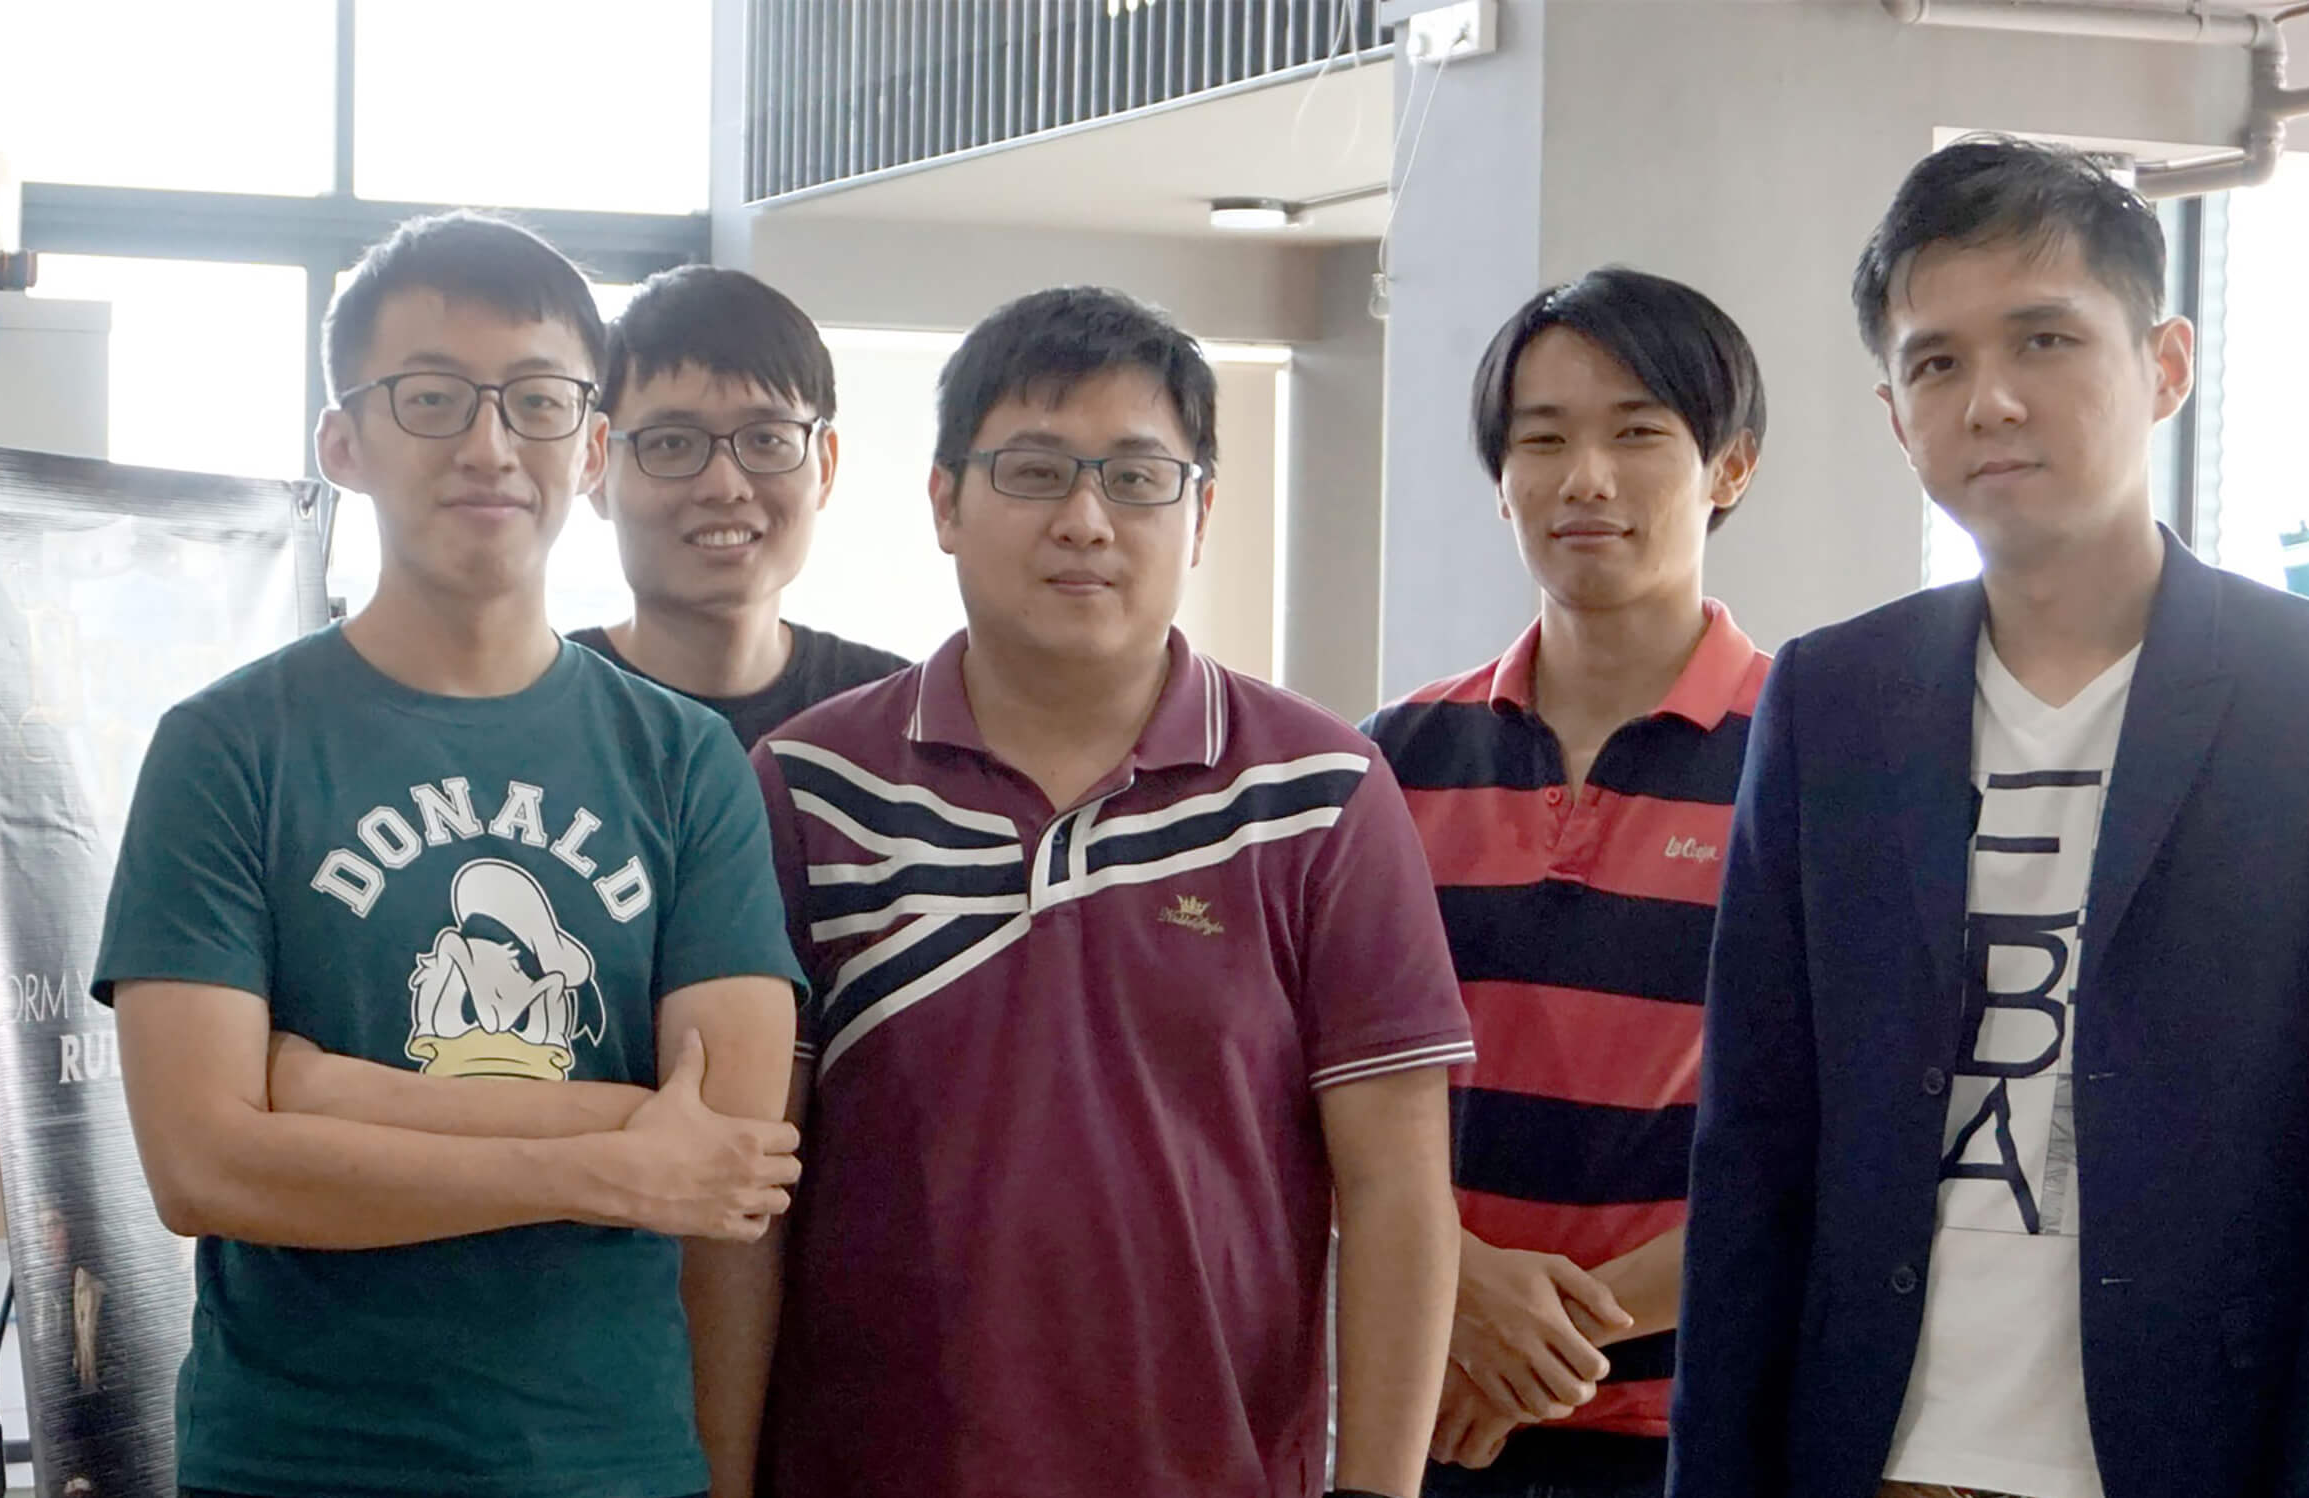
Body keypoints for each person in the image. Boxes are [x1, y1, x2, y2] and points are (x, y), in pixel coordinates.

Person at [1671, 136, 2309, 1498]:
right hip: (1879, 1453)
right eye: (1936, 361)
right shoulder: (1832, 702)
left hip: (2189, 1452)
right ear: (1895, 413)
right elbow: (1754, 1144)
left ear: (2166, 365)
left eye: (2046, 339)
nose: (1990, 398)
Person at [92, 211, 808, 1498]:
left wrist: (325, 1096)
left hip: (609, 1463)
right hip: (298, 1466)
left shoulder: (686, 761)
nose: (488, 445)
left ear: (588, 447)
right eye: (431, 398)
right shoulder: (226, 748)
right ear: (343, 441)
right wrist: (609, 1158)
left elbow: (728, 1147)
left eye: (535, 402)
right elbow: (201, 1165)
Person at [749, 286, 1471, 1498]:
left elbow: (1398, 1190)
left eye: (1137, 478)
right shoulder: (812, 789)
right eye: (1032, 472)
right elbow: (750, 1194)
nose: (1085, 520)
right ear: (943, 502)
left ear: (1197, 517)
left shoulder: (1316, 792)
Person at [1367, 266, 1770, 1498]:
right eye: (1540, 439)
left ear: (1728, 467)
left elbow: (1830, 1135)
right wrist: (1455, 1287)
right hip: (1414, 1410)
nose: (1584, 479)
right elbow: (1305, 1086)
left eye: (1637, 433)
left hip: (1686, 1427)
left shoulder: (1813, 757)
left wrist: (1526, 1346)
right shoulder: (1390, 757)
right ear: (1499, 482)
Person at [570, 265, 908, 745]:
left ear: (825, 466)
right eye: (671, 444)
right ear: (596, 467)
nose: (725, 486)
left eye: (766, 438)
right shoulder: (533, 711)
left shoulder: (902, 723)